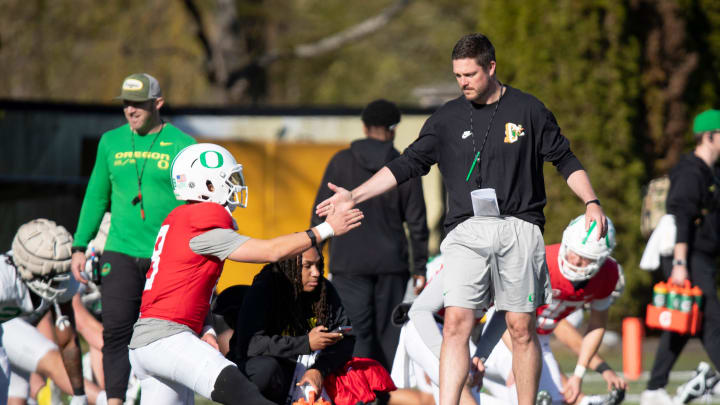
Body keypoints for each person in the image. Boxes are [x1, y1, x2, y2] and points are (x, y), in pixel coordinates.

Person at [316, 33, 607, 405]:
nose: (463, 82)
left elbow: (565, 159)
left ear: (491, 67)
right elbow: (406, 164)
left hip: (520, 226)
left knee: (521, 327)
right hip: (466, 232)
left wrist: (591, 201)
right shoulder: (446, 118)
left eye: (470, 74)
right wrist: (354, 194)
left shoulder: (529, 110)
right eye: (457, 76)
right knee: (456, 322)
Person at [127, 143, 363, 405]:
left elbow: (184, 290)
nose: (235, 187)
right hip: (168, 341)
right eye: (228, 180)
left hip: (149, 343)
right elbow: (272, 251)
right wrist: (326, 229)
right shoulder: (201, 224)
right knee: (249, 399)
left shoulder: (181, 220)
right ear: (207, 185)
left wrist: (206, 328)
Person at [69, 73, 196, 405]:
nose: (131, 110)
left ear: (158, 104)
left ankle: (167, 396)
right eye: (126, 104)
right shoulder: (110, 142)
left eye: (138, 104)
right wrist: (80, 246)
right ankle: (115, 400)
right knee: (116, 333)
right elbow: (96, 196)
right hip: (120, 250)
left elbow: (194, 203)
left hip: (166, 255)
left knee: (167, 334)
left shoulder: (183, 144)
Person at [311, 99, 429, 371]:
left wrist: (316, 259)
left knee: (354, 335)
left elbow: (320, 212)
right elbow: (417, 222)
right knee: (390, 337)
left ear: (364, 127)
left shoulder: (340, 162)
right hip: (392, 267)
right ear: (394, 129)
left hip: (348, 266)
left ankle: (358, 396)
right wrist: (419, 267)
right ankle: (385, 395)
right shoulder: (403, 166)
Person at [481, 215, 625, 405]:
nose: (573, 259)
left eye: (583, 258)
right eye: (572, 251)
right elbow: (504, 313)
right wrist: (518, 357)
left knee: (555, 401)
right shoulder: (541, 261)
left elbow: (597, 325)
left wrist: (578, 374)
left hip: (536, 339)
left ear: (599, 260)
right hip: (501, 333)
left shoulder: (607, 275)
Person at [640, 109, 720, 405]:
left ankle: (654, 389)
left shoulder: (711, 172)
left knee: (685, 322)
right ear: (709, 136)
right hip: (685, 256)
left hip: (701, 257)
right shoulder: (690, 170)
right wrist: (679, 264)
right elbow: (682, 218)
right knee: (712, 319)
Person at [231, 248, 354, 404]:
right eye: (307, 266)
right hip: (271, 370)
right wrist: (306, 343)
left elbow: (347, 337)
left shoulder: (324, 289)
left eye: (318, 265)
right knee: (264, 371)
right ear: (289, 266)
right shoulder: (266, 288)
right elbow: (250, 345)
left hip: (310, 369)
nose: (316, 272)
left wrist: (319, 370)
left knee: (362, 374)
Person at [1, 219, 89, 404]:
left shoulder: (63, 280)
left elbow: (68, 340)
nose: (58, 283)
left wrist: (79, 394)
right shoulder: (4, 281)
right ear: (24, 266)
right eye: (51, 274)